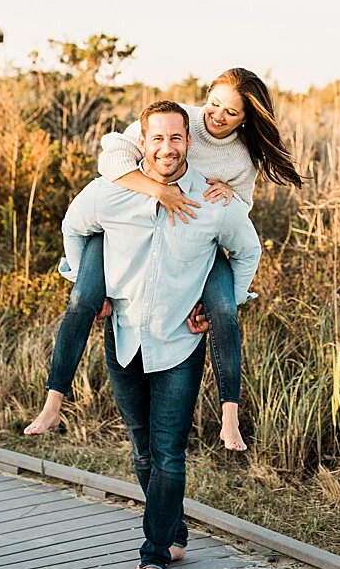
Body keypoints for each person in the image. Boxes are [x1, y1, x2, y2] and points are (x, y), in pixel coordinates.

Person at [25, 67, 301, 451]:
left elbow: (242, 209)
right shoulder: (178, 118)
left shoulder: (244, 157)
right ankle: (53, 401)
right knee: (82, 299)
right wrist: (159, 191)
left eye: (232, 113)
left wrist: (228, 194)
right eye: (215, 103)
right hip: (128, 222)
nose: (218, 115)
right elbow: (112, 162)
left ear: (246, 120)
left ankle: (230, 417)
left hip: (198, 235)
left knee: (223, 308)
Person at [58, 100, 261, 569]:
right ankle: (176, 532)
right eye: (157, 139)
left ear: (188, 142)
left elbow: (248, 250)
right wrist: (89, 285)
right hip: (125, 336)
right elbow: (73, 226)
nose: (167, 148)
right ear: (142, 142)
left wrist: (222, 305)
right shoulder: (112, 193)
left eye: (176, 139)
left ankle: (152, 558)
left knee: (169, 453)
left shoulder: (215, 200)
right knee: (142, 447)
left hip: (179, 343)